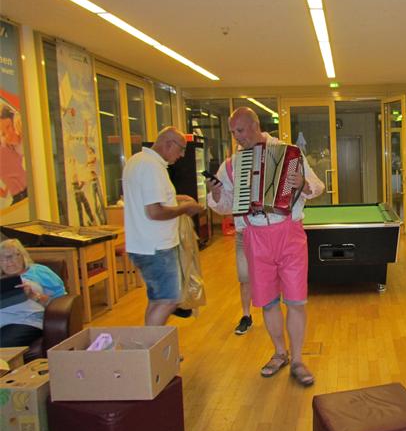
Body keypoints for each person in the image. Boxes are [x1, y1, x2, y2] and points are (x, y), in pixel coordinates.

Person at [207, 107, 324, 385]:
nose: (237, 137)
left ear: (254, 125)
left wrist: (304, 184)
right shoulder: (231, 165)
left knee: (295, 301)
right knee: (268, 302)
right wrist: (216, 194)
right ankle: (280, 353)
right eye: (233, 132)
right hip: (254, 237)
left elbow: (318, 186)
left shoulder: (289, 153)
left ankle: (298, 360)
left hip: (289, 234)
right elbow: (224, 207)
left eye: (240, 130)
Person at [123, 126, 203, 326]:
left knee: (157, 300)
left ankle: (151, 342)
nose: (182, 155)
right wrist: (185, 208)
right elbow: (155, 212)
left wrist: (177, 199)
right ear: (169, 144)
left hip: (142, 244)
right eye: (181, 149)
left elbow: (148, 199)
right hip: (157, 247)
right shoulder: (152, 168)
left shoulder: (137, 161)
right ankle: (151, 343)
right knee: (169, 300)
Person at [0, 239, 66, 347]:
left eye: (13, 256)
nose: (9, 262)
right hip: (2, 321)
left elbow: (61, 302)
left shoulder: (39, 272)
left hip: (25, 321)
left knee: (3, 346)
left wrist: (34, 296)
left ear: (23, 256)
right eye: (3, 259)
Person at [0, 105, 27, 205]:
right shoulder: (6, 146)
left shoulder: (26, 138)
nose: (8, 134)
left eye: (8, 127)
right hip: (19, 197)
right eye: (3, 133)